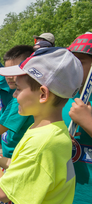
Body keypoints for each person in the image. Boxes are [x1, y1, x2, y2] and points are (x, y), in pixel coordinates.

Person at [0, 47, 81, 203]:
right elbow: (19, 164)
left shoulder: (42, 143)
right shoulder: (50, 131)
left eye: (18, 89)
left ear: (43, 94)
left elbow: (3, 193)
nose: (14, 94)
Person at [0, 45, 34, 204]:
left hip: (17, 164)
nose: (10, 77)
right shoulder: (15, 95)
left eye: (16, 72)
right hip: (10, 160)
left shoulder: (20, 100)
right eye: (8, 73)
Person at [62, 32, 92, 204]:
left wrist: (88, 122)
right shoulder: (65, 99)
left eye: (80, 62)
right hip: (67, 194)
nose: (73, 67)